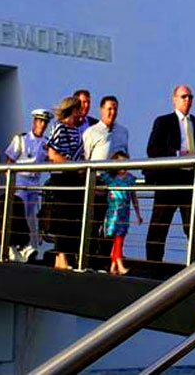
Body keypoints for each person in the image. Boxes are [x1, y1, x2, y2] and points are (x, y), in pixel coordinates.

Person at [145, 85, 195, 262]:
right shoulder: (163, 122)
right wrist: (177, 155)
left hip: (190, 181)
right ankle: (154, 268)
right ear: (174, 99)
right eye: (183, 97)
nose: (187, 100)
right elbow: (152, 149)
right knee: (159, 226)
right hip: (169, 180)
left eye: (190, 97)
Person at [82, 95, 129, 269]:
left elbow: (126, 155)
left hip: (116, 184)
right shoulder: (91, 132)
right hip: (99, 182)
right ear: (102, 110)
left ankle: (103, 262)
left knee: (112, 224)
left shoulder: (123, 131)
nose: (112, 112)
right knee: (95, 222)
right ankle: (90, 261)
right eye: (109, 108)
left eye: (115, 108)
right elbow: (86, 159)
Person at [4, 108, 55, 262]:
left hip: (34, 181)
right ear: (34, 121)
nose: (42, 124)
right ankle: (14, 247)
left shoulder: (46, 143)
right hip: (20, 179)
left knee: (30, 216)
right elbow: (9, 161)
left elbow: (50, 162)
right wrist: (10, 184)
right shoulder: (21, 139)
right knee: (19, 213)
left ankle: (26, 248)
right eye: (40, 121)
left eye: (45, 122)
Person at [44, 96, 84, 270]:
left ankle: (65, 257)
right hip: (62, 177)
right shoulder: (59, 128)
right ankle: (61, 257)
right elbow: (52, 154)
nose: (80, 114)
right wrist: (70, 165)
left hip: (74, 178)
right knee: (62, 217)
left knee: (72, 218)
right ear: (71, 109)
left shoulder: (76, 131)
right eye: (78, 110)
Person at [102, 151, 143, 275]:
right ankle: (119, 263)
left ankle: (114, 265)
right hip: (113, 211)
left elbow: (134, 196)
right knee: (116, 237)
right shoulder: (110, 178)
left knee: (120, 238)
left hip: (125, 212)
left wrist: (138, 214)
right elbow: (103, 191)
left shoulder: (130, 179)